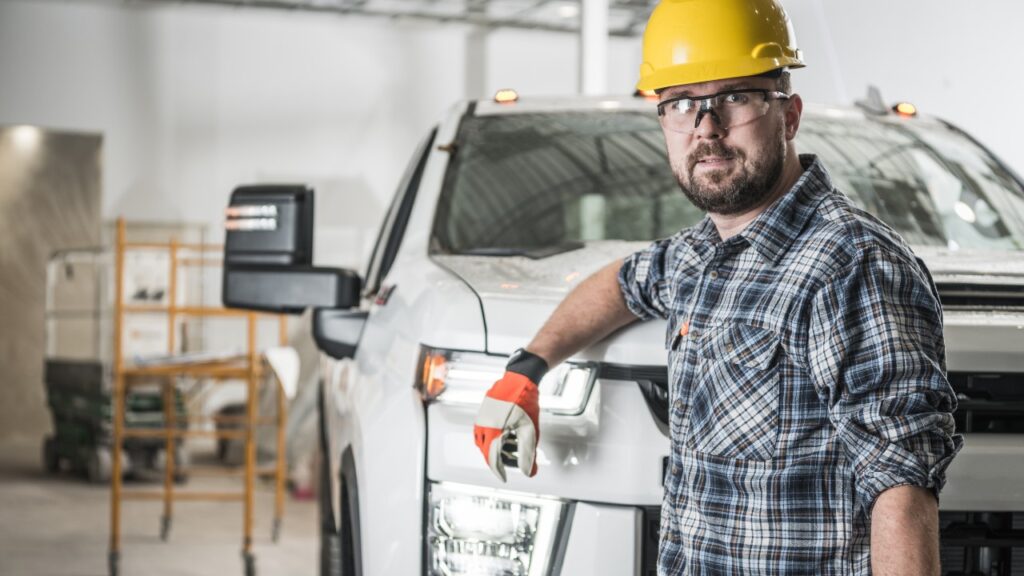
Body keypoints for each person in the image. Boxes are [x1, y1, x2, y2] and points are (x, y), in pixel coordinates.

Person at [473, 0, 963, 573]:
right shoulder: (700, 255)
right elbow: (621, 283)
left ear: (790, 115)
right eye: (682, 103)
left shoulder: (849, 262)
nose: (707, 127)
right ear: (664, 123)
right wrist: (527, 368)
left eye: (735, 97)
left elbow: (900, 485)